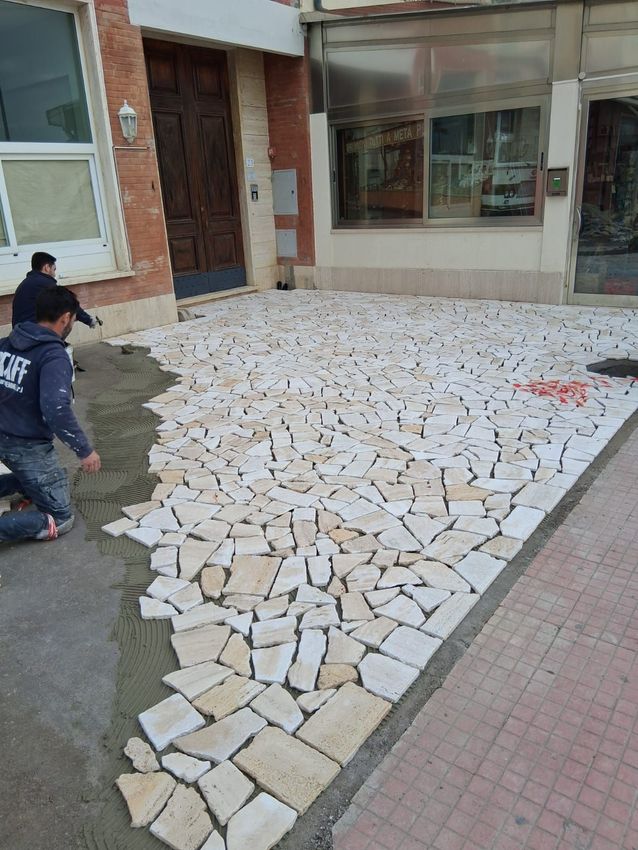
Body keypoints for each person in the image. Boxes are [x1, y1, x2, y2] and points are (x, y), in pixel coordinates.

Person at [0, 286, 101, 543]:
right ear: (65, 318)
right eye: (75, 318)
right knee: (61, 517)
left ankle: (26, 483)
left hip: (6, 437)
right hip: (25, 444)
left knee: (33, 479)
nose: (74, 322)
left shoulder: (5, 344)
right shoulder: (52, 356)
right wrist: (84, 450)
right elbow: (55, 408)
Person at [11, 251, 99, 329]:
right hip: (32, 332)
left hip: (20, 331)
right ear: (47, 268)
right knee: (64, 315)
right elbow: (68, 302)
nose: (54, 274)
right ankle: (62, 346)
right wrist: (88, 320)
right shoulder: (44, 283)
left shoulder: (28, 282)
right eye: (54, 269)